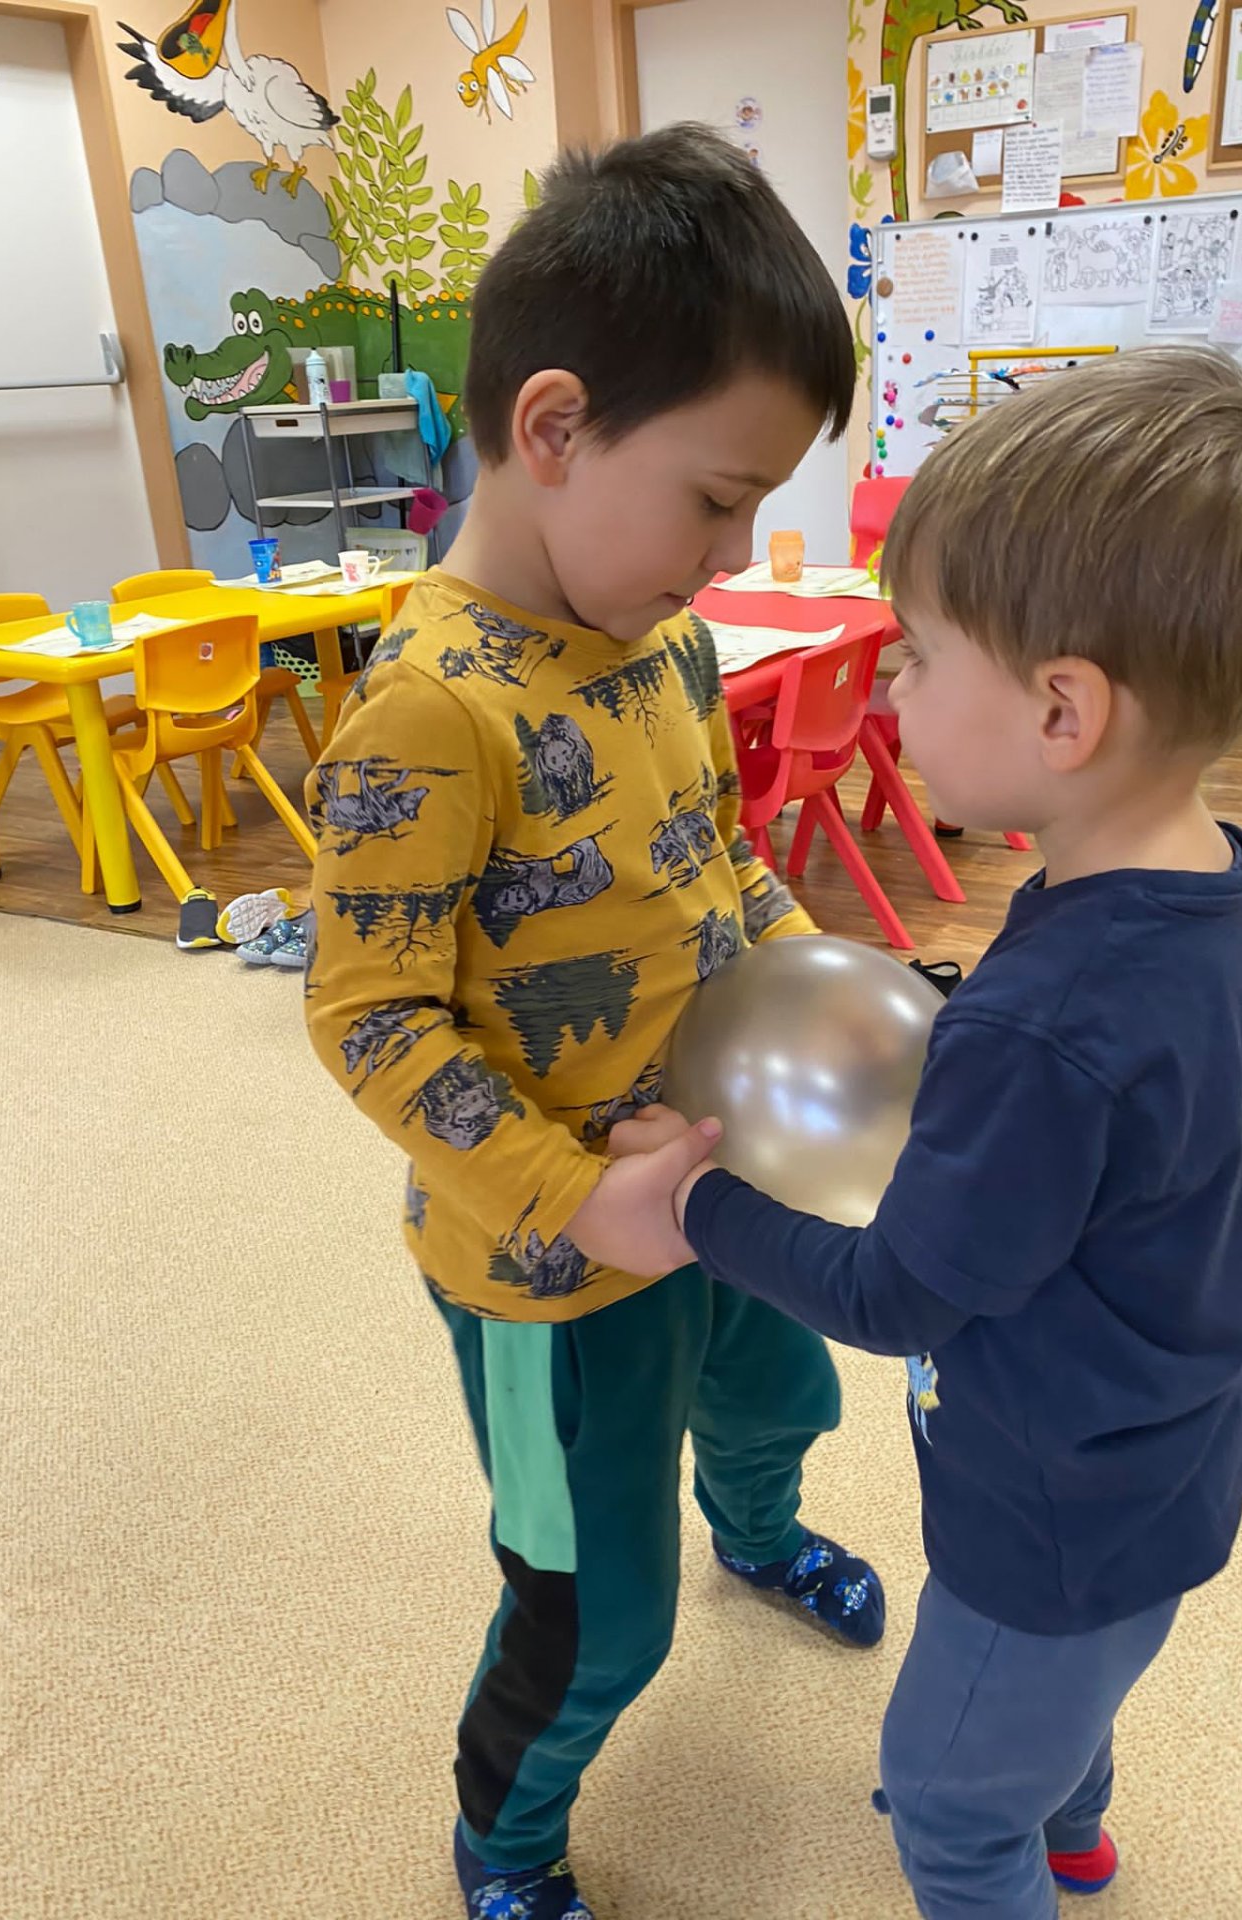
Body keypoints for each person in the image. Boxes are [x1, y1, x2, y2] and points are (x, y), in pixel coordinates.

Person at [568, 348, 1242, 1918]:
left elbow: (898, 1293)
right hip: (1170, 1444)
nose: (892, 691)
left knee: (948, 1799)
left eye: (918, 656)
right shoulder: (1229, 894)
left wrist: (697, 1203)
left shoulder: (1045, 1024)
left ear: (1063, 709)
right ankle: (1075, 1832)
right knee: (1076, 1701)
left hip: (1048, 1512)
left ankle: (1020, 1846)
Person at [302, 124, 884, 1920]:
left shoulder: (671, 649)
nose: (738, 547)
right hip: (548, 1270)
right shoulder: (429, 710)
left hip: (721, 1176)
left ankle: (759, 1537)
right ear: (553, 427)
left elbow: (724, 866)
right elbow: (368, 1019)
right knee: (593, 1609)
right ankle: (505, 1834)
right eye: (718, 498)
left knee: (782, 1399)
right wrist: (576, 1199)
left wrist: (849, 1004)